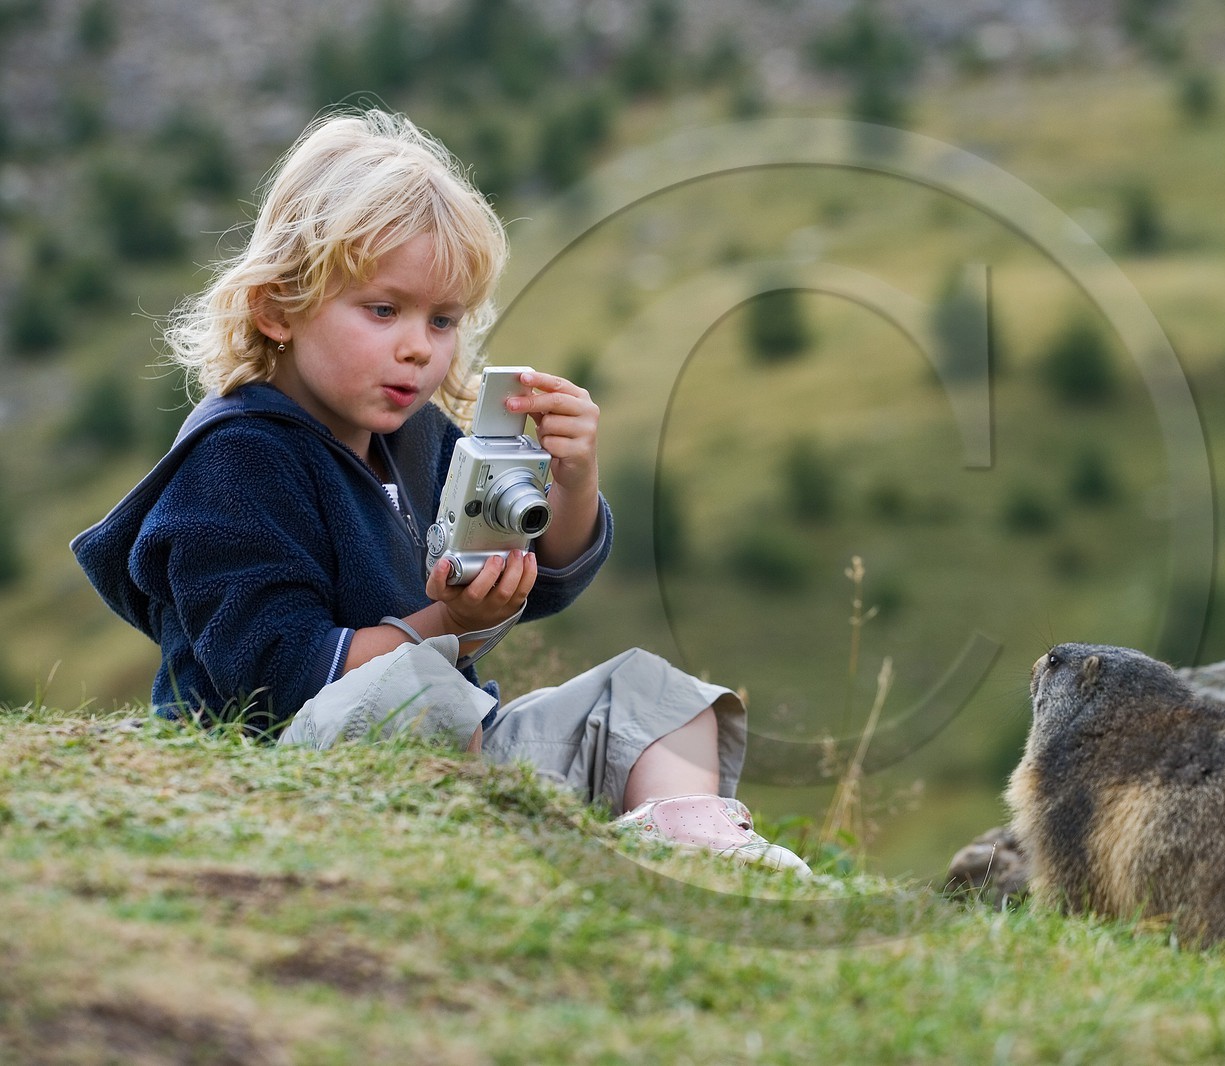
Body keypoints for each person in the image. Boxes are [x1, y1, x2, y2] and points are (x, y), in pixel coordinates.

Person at [71, 108, 808, 875]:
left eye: (443, 320)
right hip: (275, 771)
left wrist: (572, 479)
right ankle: (524, 850)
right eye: (383, 310)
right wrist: (448, 623)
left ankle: (689, 843)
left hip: (451, 744)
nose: (419, 347)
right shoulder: (238, 458)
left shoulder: (416, 437)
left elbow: (540, 576)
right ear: (278, 308)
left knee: (654, 693)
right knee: (423, 687)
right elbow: (277, 676)